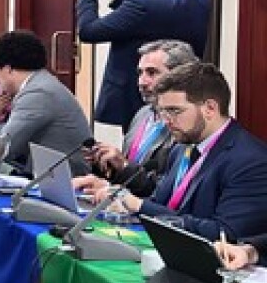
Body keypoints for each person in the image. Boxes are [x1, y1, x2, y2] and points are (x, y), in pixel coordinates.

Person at [109, 63, 267, 242]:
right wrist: (122, 201)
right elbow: (162, 203)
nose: (166, 121)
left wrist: (140, 206)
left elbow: (225, 232)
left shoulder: (250, 160)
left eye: (174, 111)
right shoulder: (181, 148)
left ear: (210, 109)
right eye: (163, 112)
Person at [77, 0, 211, 129]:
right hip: (184, 94)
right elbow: (154, 18)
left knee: (140, 145)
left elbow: (88, 31)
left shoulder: (143, 5)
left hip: (141, 96)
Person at [73, 40, 198, 198]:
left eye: (152, 73)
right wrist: (107, 165)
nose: (141, 82)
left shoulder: (187, 125)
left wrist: (124, 167)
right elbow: (129, 174)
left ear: (179, 76)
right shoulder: (142, 114)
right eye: (140, 73)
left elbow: (164, 192)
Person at [0, 31, 92, 176]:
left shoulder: (38, 93)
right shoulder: (39, 84)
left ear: (8, 69)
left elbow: (4, 147)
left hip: (64, 180)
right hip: (46, 172)